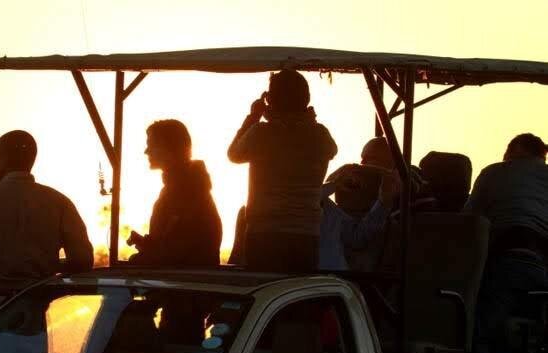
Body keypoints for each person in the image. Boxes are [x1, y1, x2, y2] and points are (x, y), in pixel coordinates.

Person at [0, 130, 94, 327]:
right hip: (36, 310)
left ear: (3, 159)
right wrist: (45, 265)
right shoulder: (59, 202)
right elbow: (83, 260)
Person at [228, 69, 338, 272]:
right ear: (306, 99)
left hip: (264, 233)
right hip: (306, 235)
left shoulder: (261, 133)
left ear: (270, 99)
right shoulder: (320, 135)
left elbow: (233, 154)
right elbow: (331, 150)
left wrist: (253, 116)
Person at [465, 133, 548, 353]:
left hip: (506, 264)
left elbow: (469, 222)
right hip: (541, 268)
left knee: (477, 334)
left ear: (511, 151)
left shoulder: (492, 173)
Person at [127, 119, 222, 267]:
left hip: (185, 279)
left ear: (170, 149)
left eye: (152, 145)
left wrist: (141, 257)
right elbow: (172, 245)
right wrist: (145, 243)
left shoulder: (186, 191)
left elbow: (175, 253)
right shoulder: (182, 187)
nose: (146, 151)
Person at [318, 165, 399, 270]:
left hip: (335, 277)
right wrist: (334, 185)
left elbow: (356, 237)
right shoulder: (311, 200)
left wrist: (383, 201)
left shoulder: (326, 205)